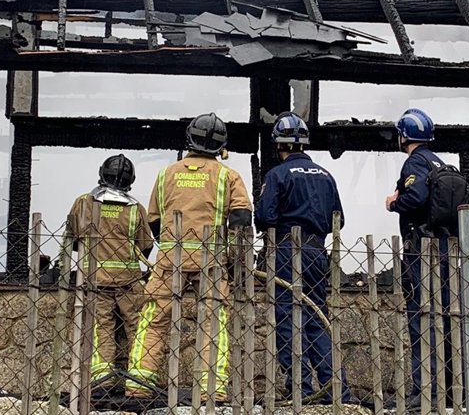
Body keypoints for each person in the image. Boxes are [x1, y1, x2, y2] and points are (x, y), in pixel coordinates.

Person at [126, 113, 253, 401]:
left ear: (189, 138)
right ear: (221, 145)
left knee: (154, 319)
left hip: (171, 258)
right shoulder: (227, 176)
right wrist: (234, 260)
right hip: (211, 261)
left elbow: (154, 221)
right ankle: (212, 389)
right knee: (213, 322)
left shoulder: (167, 174)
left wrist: (170, 247)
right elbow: (241, 219)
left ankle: (138, 383)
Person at [255, 111, 355, 404]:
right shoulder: (326, 176)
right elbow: (339, 219)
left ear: (278, 145)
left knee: (287, 317)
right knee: (316, 318)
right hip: (317, 253)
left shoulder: (277, 175)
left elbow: (265, 217)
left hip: (287, 250)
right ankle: (336, 390)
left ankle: (300, 389)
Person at [66, 154, 154, 394]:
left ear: (101, 173)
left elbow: (72, 240)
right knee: (138, 328)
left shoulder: (83, 203)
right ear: (130, 181)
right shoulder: (136, 208)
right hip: (129, 281)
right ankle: (139, 383)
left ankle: (102, 380)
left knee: (100, 327)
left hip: (94, 280)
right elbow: (145, 245)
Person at [385, 108, 453, 406]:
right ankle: (450, 389)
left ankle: (424, 391)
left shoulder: (415, 162)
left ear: (404, 135)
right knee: (447, 319)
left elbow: (416, 198)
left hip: (421, 251)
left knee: (420, 319)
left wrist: (393, 202)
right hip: (443, 249)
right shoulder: (438, 160)